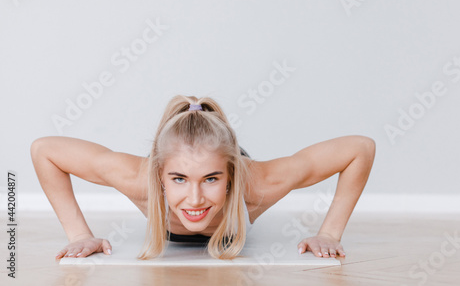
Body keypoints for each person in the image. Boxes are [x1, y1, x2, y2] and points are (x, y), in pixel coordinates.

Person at [30, 95, 376, 261]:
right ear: (160, 177)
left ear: (229, 177)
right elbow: (45, 149)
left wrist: (329, 232)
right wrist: (79, 235)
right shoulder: (139, 179)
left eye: (210, 179)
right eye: (179, 179)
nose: (194, 200)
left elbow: (360, 148)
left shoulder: (259, 184)